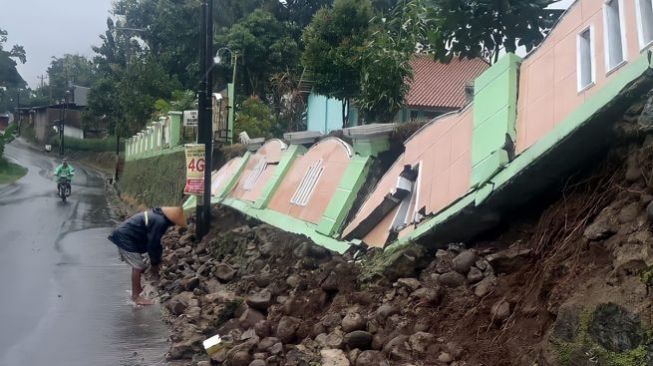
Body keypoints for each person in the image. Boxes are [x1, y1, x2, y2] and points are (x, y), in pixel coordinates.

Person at [108, 207, 186, 305]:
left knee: (142, 263)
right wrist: (155, 263)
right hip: (125, 237)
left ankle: (138, 288)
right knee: (138, 266)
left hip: (130, 236)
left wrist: (157, 259)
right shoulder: (160, 221)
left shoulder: (157, 216)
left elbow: (155, 243)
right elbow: (153, 243)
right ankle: (136, 296)